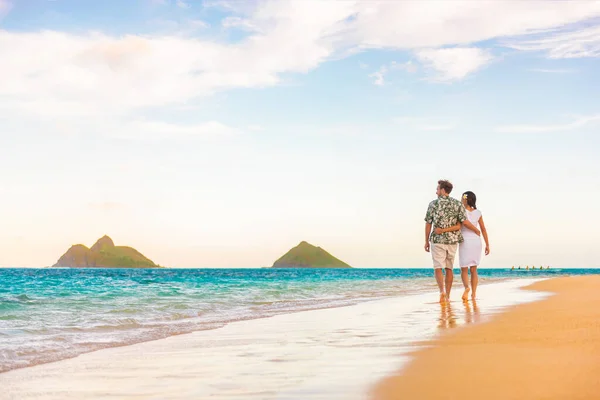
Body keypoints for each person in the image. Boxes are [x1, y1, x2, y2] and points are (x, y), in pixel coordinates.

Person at [424, 180, 479, 303]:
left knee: (438, 267)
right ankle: (447, 296)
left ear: (443, 190)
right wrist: (476, 230)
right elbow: (464, 222)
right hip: (452, 241)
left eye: (437, 189)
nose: (436, 191)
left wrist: (426, 241)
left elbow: (428, 224)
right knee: (449, 268)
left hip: (437, 240)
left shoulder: (433, 204)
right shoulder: (457, 204)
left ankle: (442, 291)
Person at [436, 191, 489, 300]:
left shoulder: (461, 211)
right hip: (476, 241)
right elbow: (483, 229)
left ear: (465, 199)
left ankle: (466, 287)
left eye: (462, 198)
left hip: (465, 240)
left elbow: (460, 225)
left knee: (464, 268)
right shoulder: (478, 212)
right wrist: (487, 244)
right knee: (474, 269)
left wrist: (443, 230)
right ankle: (473, 295)